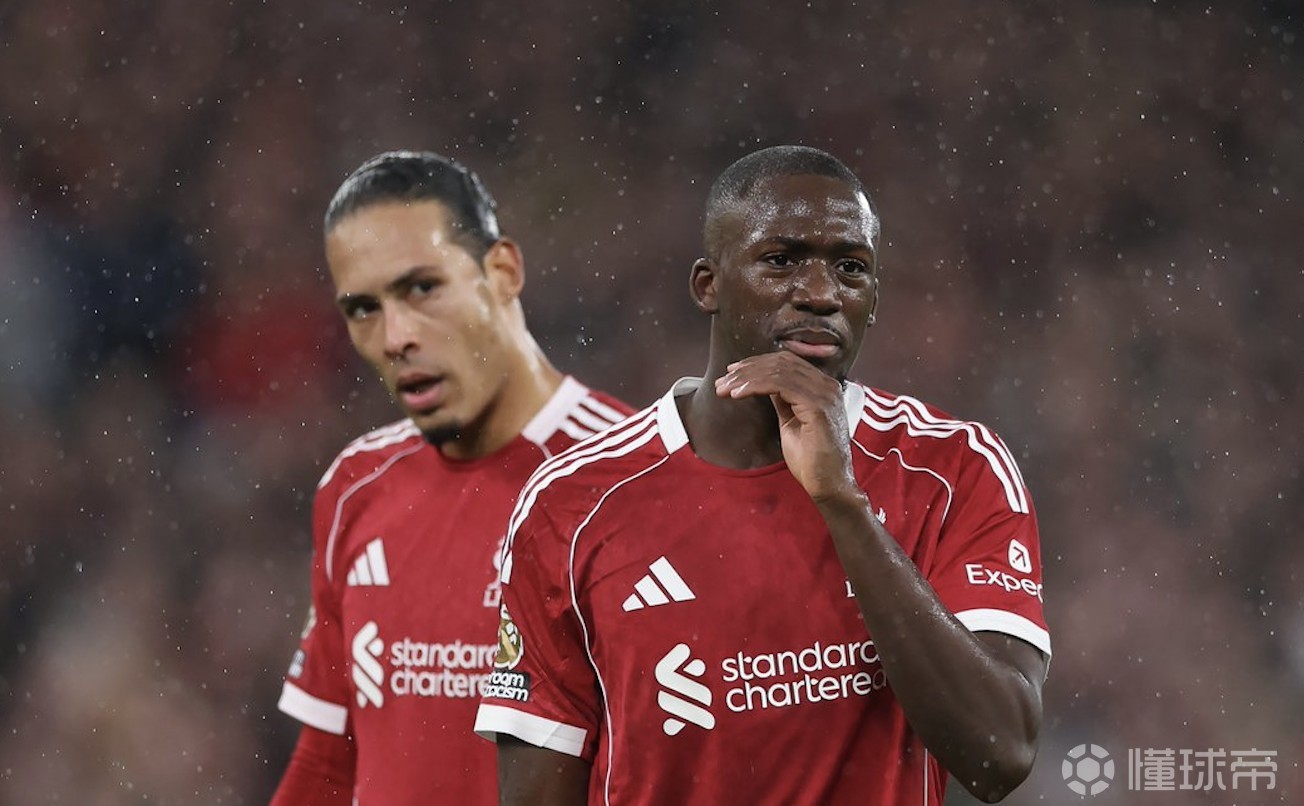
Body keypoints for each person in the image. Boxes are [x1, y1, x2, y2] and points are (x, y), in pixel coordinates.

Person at [474, 145, 1050, 804]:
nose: (821, 293)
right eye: (781, 260)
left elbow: (1000, 753)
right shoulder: (573, 503)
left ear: (873, 297)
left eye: (851, 267)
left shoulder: (952, 469)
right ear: (708, 286)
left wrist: (842, 501)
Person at [270, 151, 632, 805]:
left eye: (421, 289)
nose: (395, 336)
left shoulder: (632, 478)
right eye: (363, 308)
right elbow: (328, 764)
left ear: (502, 271)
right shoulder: (355, 485)